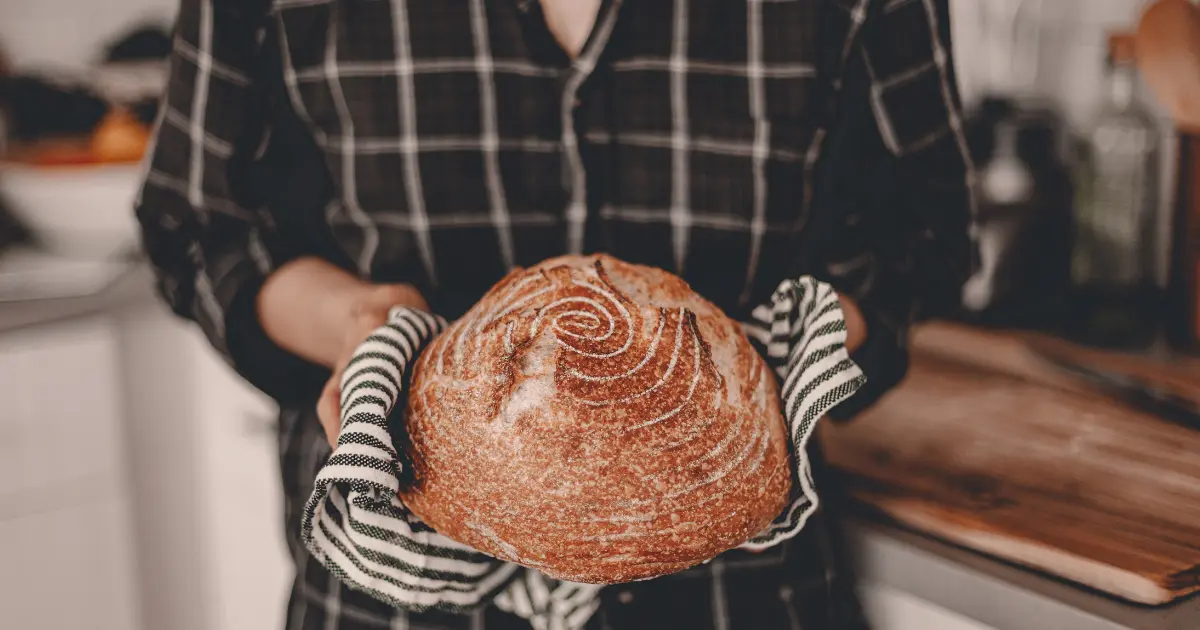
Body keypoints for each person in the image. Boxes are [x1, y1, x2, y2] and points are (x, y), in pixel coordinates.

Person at [135, 0, 974, 628]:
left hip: (746, 597)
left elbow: (926, 235)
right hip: (393, 606)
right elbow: (199, 224)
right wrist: (360, 323)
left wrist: (774, 372)